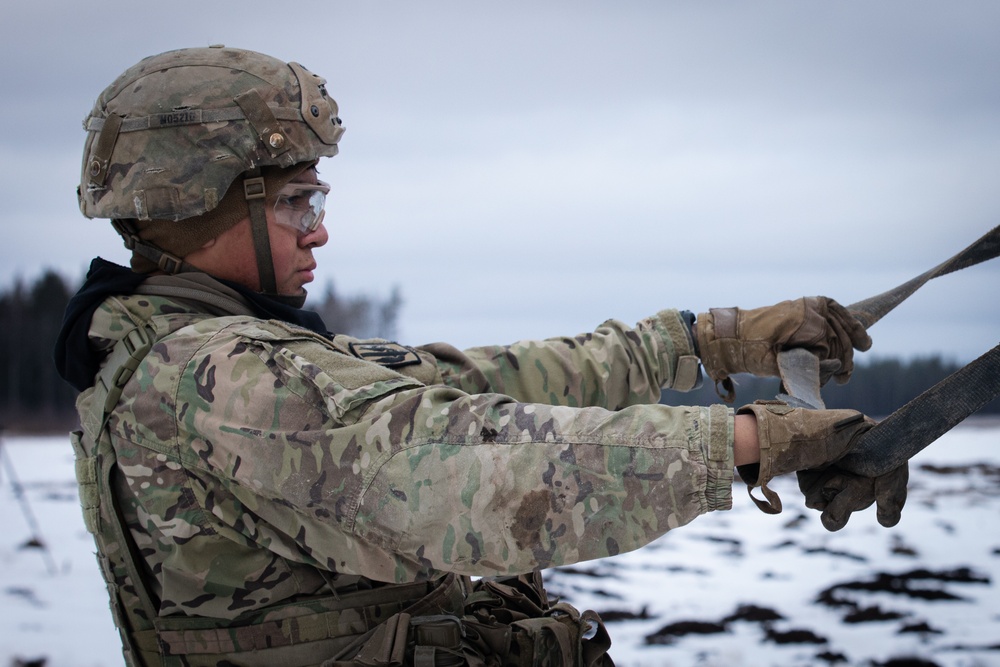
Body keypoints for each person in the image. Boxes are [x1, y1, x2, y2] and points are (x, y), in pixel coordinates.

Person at [55, 46, 908, 667]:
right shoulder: (218, 382)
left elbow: (473, 383)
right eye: (293, 201)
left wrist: (704, 340)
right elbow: (466, 465)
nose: (319, 228)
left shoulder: (212, 349)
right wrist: (746, 443)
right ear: (202, 204)